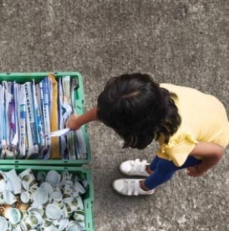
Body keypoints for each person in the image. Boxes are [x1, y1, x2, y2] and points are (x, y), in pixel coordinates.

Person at [67, 73, 229, 196]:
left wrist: (200, 169)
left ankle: (145, 187)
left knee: (166, 166)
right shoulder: (152, 94)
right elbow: (104, 112)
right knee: (162, 158)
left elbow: (217, 151)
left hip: (209, 139)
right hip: (207, 110)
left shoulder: (175, 143)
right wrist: (77, 122)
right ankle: (149, 169)